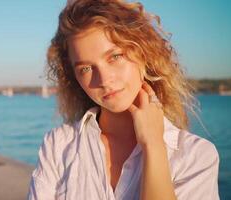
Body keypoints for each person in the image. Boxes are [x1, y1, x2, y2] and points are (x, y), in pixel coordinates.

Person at [27, 0, 220, 199]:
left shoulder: (196, 156)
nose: (104, 79)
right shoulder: (59, 145)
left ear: (144, 52)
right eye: (86, 69)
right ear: (75, 78)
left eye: (115, 57)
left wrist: (153, 145)